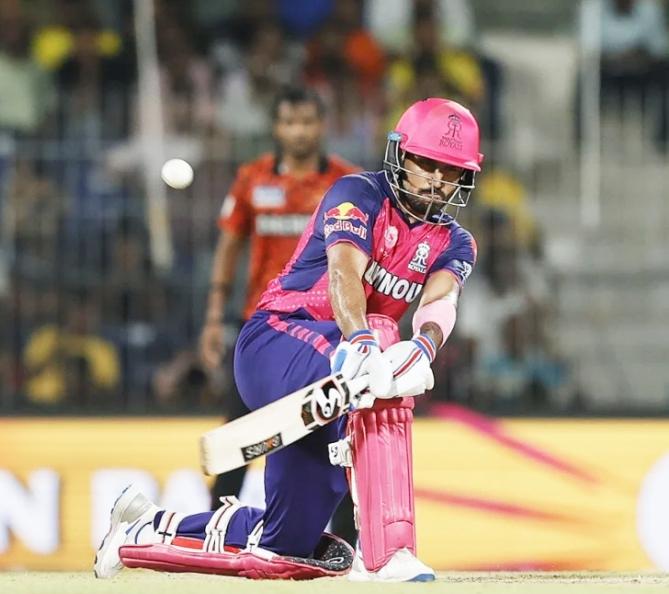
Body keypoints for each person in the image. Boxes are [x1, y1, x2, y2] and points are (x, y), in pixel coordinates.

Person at [94, 98, 482, 582]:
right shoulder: (357, 193)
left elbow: (441, 301)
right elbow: (344, 274)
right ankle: (388, 551)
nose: (437, 179)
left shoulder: (456, 242)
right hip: (276, 342)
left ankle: (144, 528)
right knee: (384, 345)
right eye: (426, 163)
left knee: (284, 549)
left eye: (451, 169)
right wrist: (362, 342)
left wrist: (424, 346)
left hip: (345, 382)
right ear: (401, 155)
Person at [199, 86, 357, 514]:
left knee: (337, 434)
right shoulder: (253, 179)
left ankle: (348, 539)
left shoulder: (347, 184)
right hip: (263, 328)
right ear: (276, 127)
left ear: (322, 126)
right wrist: (214, 317)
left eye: (307, 122)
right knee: (240, 433)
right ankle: (215, 525)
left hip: (324, 332)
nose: (299, 131)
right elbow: (229, 246)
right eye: (289, 122)